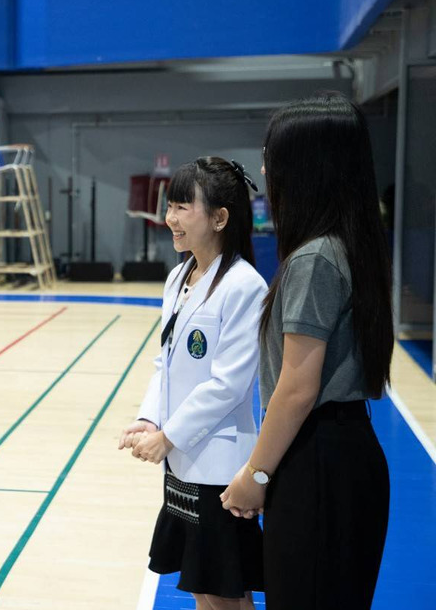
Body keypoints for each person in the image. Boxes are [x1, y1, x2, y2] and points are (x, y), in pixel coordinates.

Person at [221, 92, 393, 610]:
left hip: (317, 463)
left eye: (271, 157)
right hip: (346, 456)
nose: (264, 170)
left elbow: (297, 388)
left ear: (307, 168)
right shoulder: (350, 245)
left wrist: (255, 475)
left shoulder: (314, 259)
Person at [120, 157, 267, 610]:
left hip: (218, 466)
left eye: (183, 207)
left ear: (220, 218)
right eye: (170, 206)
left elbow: (227, 386)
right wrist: (150, 420)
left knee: (225, 595)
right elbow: (164, 362)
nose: (170, 218)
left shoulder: (245, 286)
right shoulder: (178, 276)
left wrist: (168, 436)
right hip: (180, 462)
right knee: (202, 588)